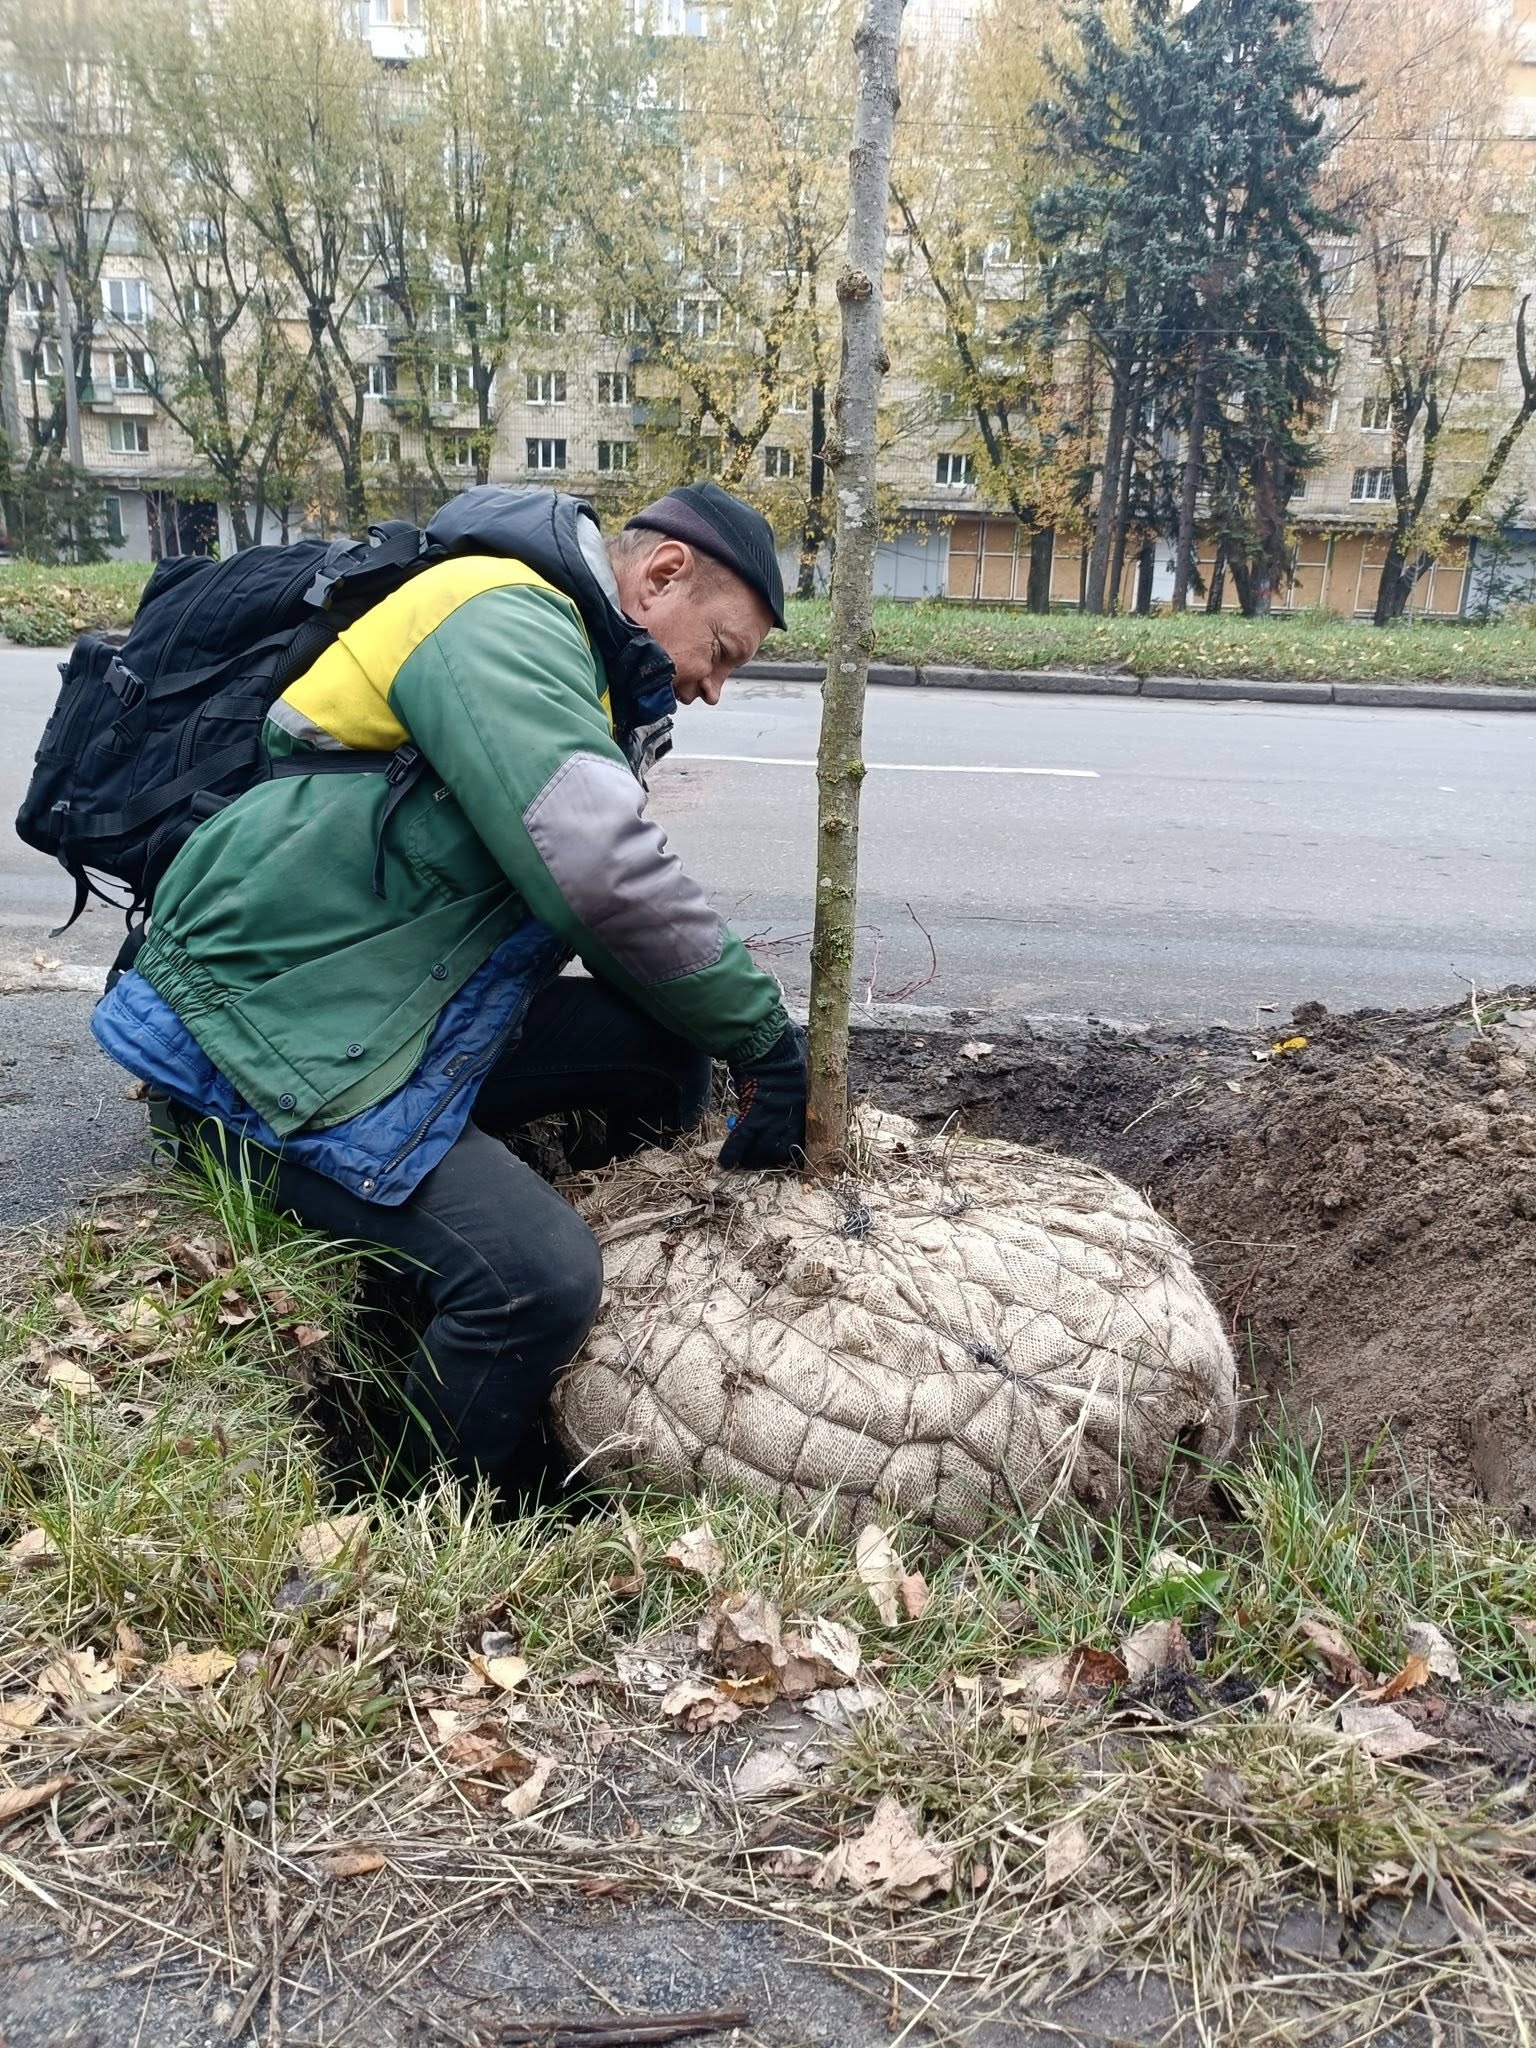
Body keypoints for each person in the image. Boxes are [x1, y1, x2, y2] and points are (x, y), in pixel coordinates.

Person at [91, 482, 808, 1499]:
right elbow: (597, 873)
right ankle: (431, 1506)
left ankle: (616, 1281)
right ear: (660, 576)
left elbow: (593, 893)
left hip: (387, 1009)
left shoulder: (574, 660)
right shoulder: (499, 617)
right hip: (257, 1043)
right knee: (535, 1277)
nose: (713, 686)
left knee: (656, 1046)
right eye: (724, 652)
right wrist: (764, 1035)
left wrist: (719, 1027)